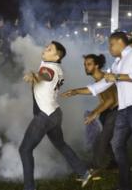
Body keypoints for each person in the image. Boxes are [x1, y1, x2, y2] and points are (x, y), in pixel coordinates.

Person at [66, 32, 132, 190]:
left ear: (120, 42)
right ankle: (125, 186)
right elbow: (101, 84)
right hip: (124, 110)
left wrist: (117, 77)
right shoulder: (117, 63)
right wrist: (77, 91)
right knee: (116, 145)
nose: (109, 48)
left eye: (111, 44)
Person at [19, 41, 94, 190]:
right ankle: (84, 172)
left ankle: (29, 188)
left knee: (25, 150)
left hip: (45, 117)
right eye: (47, 47)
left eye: (50, 49)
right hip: (55, 114)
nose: (45, 49)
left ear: (56, 56)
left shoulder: (49, 68)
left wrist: (34, 75)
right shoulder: (57, 67)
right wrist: (36, 76)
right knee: (61, 144)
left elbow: (45, 75)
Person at [62, 54, 118, 170]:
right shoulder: (98, 80)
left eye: (89, 64)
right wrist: (94, 111)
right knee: (108, 141)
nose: (85, 67)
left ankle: (95, 166)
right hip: (108, 112)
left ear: (96, 65)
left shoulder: (104, 78)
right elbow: (100, 97)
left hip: (115, 111)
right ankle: (116, 162)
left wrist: (95, 113)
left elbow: (111, 100)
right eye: (84, 65)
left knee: (101, 140)